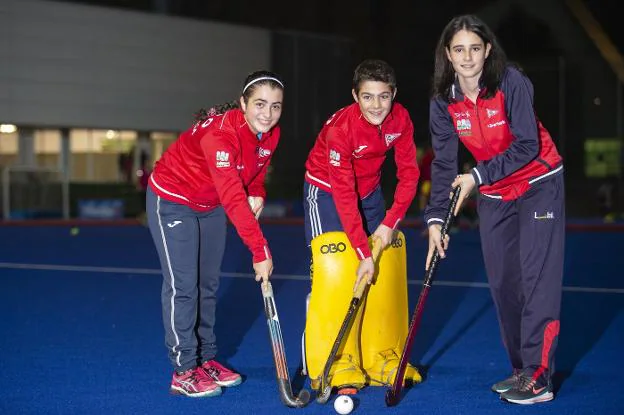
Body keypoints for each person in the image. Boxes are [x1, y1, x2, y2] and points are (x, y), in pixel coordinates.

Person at [424, 15, 564, 405]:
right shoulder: (443, 101)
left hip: (538, 183)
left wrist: (476, 176)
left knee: (537, 279)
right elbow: (443, 163)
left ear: (487, 50)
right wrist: (437, 218)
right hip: (494, 192)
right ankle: (522, 369)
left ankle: (540, 376)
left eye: (474, 48)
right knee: (504, 284)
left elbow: (526, 146)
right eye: (458, 49)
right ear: (448, 56)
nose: (467, 57)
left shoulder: (511, 83)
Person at [146, 71, 284, 398]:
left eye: (276, 106)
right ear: (243, 104)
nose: (267, 114)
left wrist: (259, 191)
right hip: (173, 199)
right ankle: (183, 370)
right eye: (260, 104)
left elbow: (255, 172)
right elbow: (234, 197)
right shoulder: (220, 137)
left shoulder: (270, 135)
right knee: (184, 287)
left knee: (207, 284)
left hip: (209, 205)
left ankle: (206, 359)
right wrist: (260, 250)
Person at [302, 59, 421, 392]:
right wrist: (361, 250)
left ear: (393, 94)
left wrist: (389, 221)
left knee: (379, 268)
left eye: (383, 97)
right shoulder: (340, 130)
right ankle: (327, 356)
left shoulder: (401, 119)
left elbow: (410, 175)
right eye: (368, 97)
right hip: (325, 190)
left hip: (370, 190)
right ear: (355, 96)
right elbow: (342, 194)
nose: (376, 106)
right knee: (332, 269)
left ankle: (378, 354)